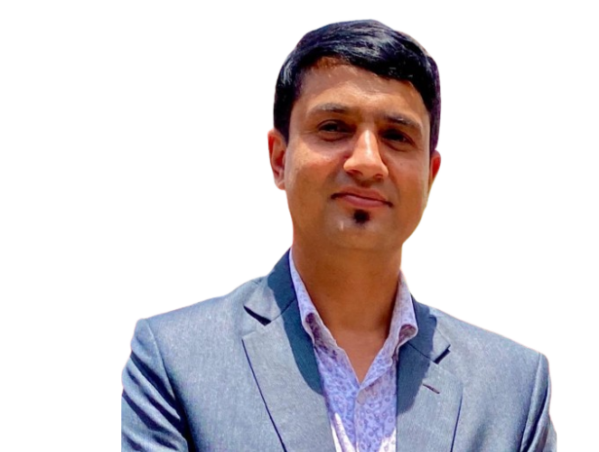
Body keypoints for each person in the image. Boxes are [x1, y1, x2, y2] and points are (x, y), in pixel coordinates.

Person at [121, 19, 556, 452]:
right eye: (333, 127)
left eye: (396, 136)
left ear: (430, 174)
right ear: (279, 159)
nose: (367, 162)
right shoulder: (177, 361)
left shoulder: (512, 391)